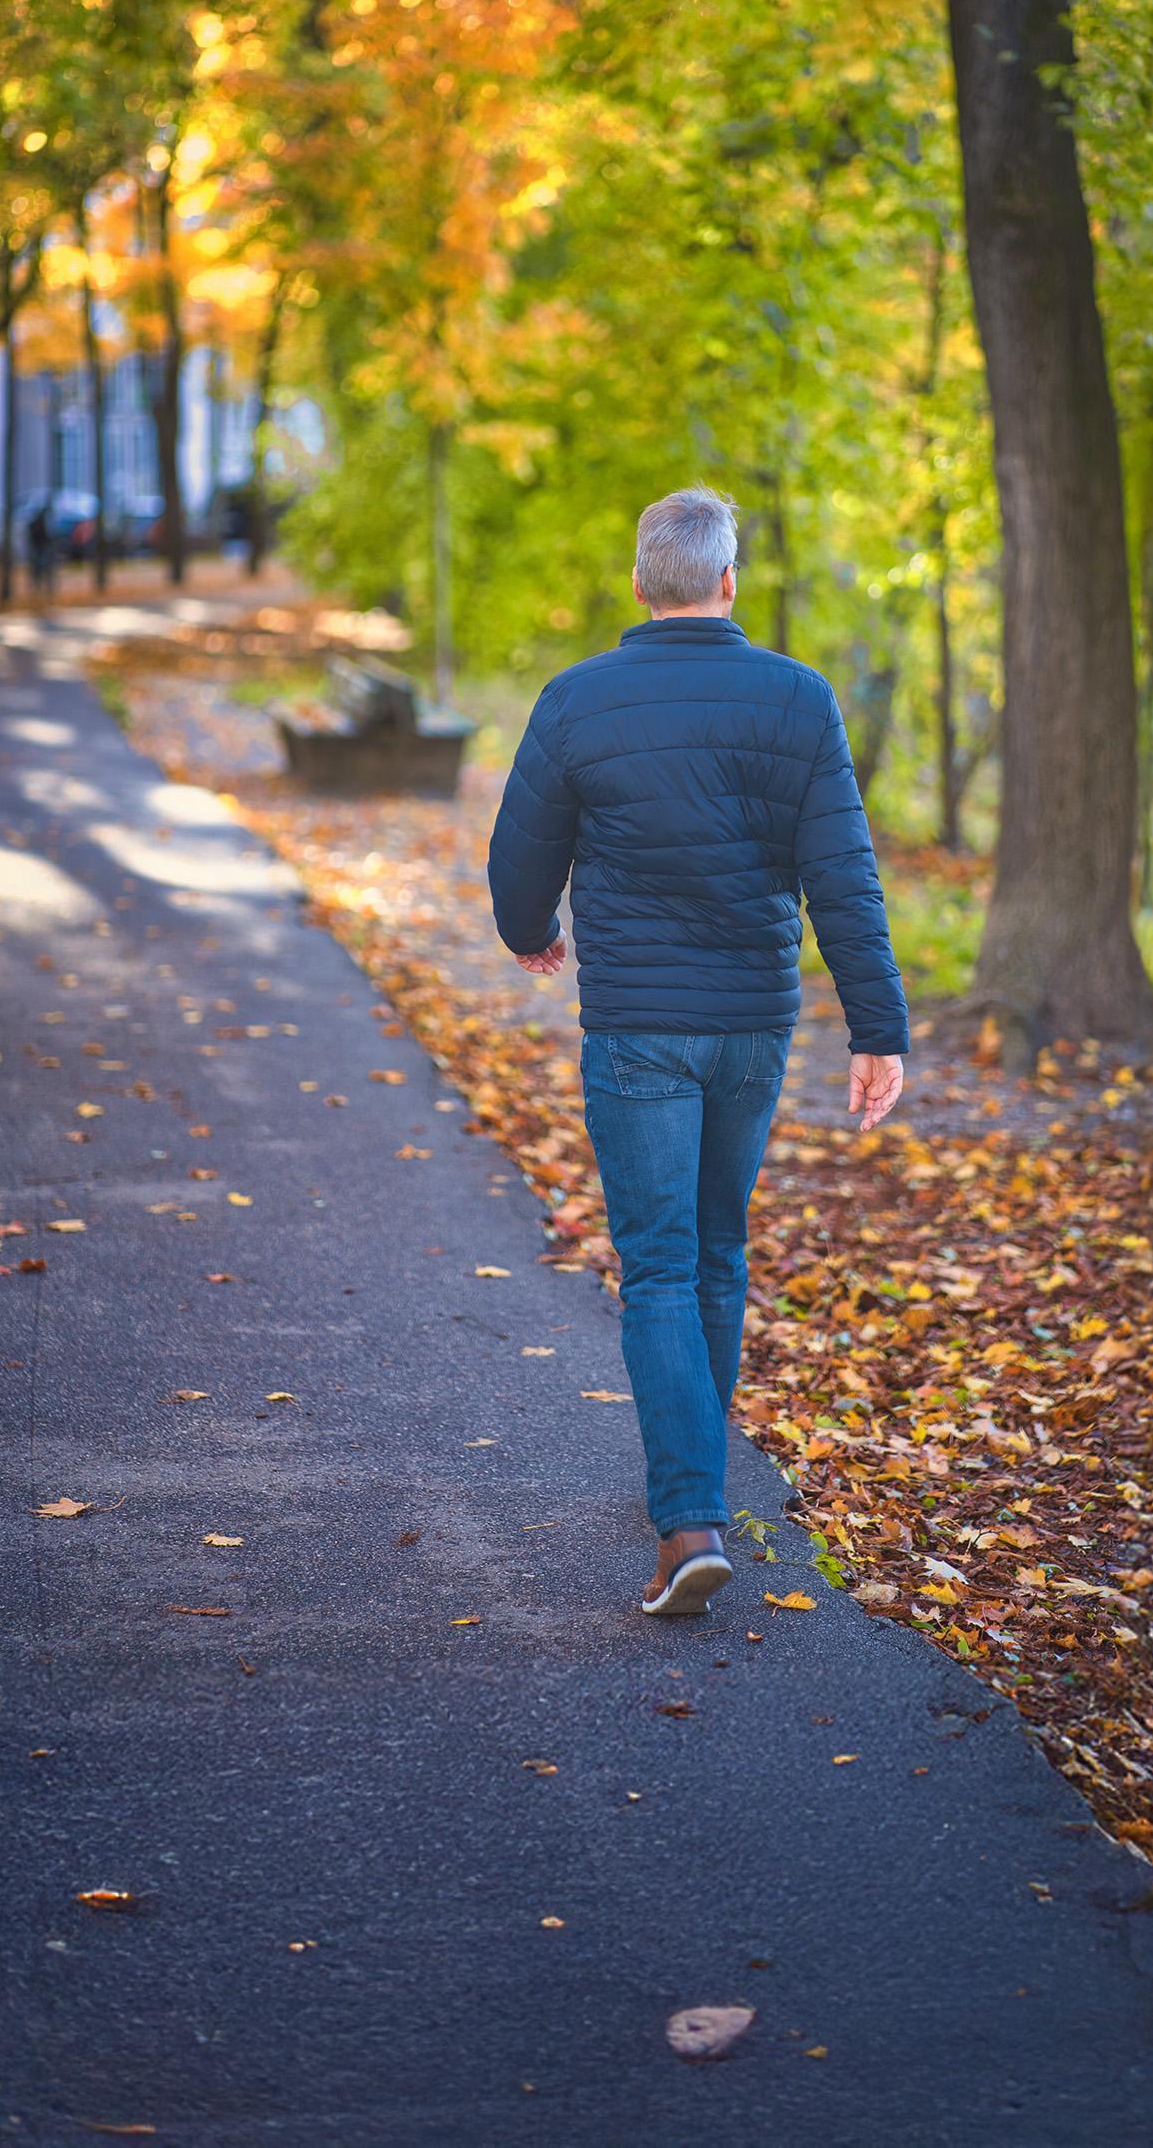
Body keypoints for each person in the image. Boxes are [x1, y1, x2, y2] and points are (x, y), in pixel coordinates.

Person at [487, 487, 908, 1616]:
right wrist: (879, 1030)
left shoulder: (576, 701)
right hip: (751, 1026)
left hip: (636, 1029)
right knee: (717, 1251)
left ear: (641, 583)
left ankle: (687, 1522)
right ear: (730, 583)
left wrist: (534, 935)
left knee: (662, 1264)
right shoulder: (798, 699)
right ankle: (700, 1488)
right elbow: (843, 877)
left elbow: (518, 860)